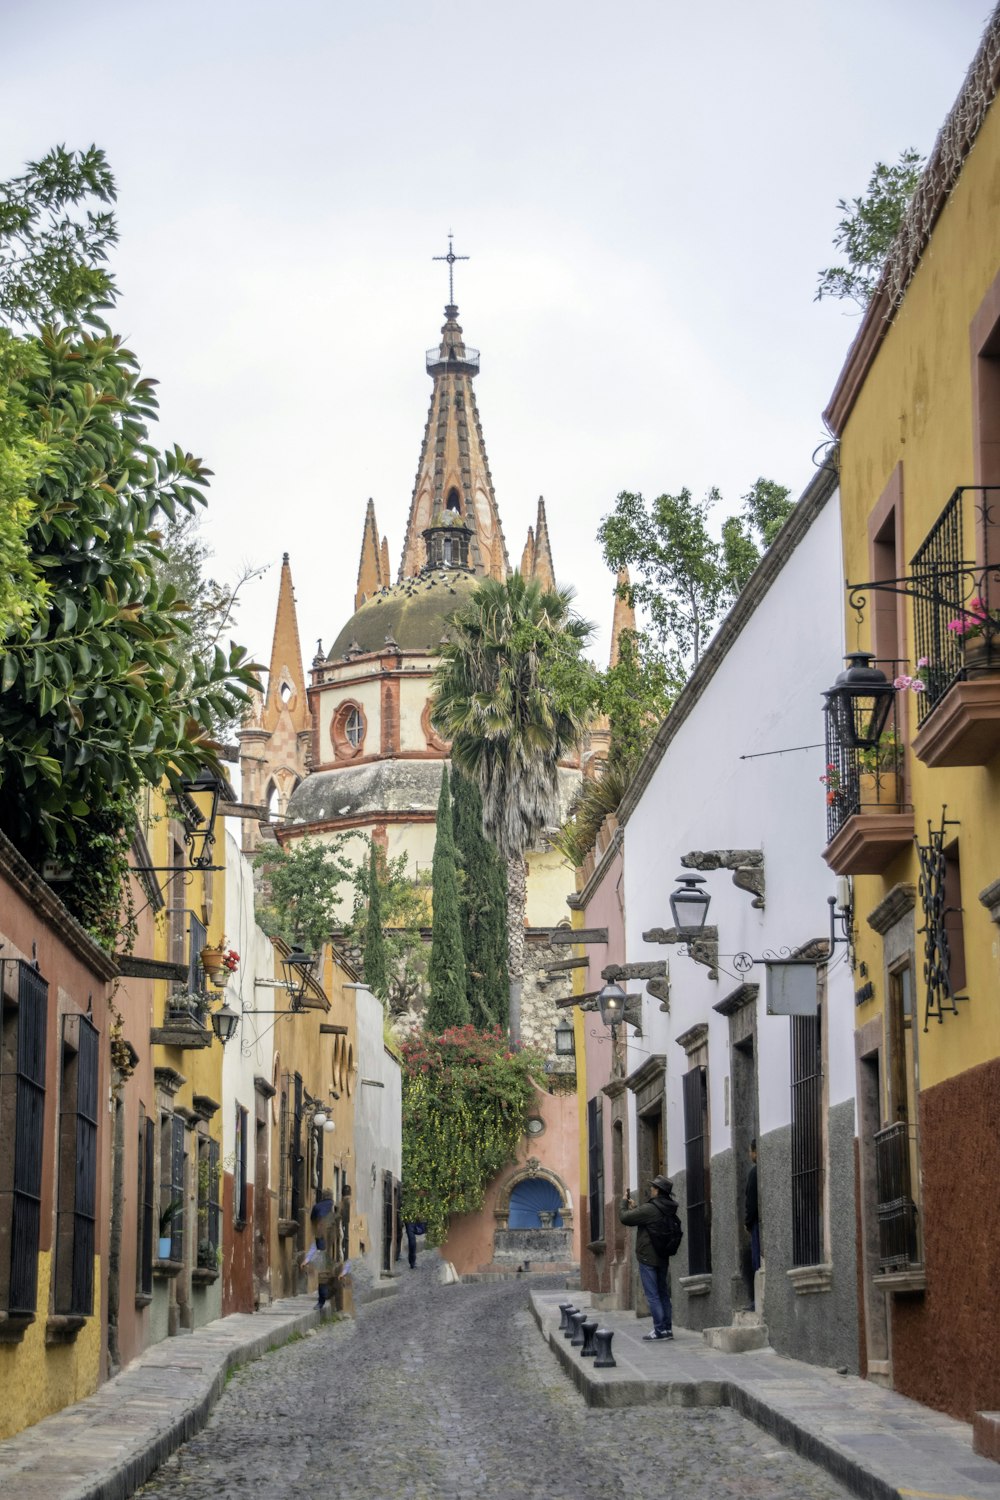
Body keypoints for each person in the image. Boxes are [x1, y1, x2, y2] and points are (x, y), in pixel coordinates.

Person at [619, 1175, 680, 1341]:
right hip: (663, 1256)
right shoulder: (668, 1207)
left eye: (653, 1187)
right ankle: (667, 1329)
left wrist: (624, 1203)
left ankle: (659, 1330)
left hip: (648, 1257)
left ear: (658, 1191)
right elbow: (652, 1221)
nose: (651, 1189)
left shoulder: (651, 1208)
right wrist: (637, 1207)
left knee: (652, 1295)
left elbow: (625, 1218)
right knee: (663, 1294)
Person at [745, 1139, 760, 1309]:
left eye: (751, 1151)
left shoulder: (754, 1173)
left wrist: (747, 1222)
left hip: (756, 1223)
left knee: (756, 1261)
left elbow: (751, 1201)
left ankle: (757, 1301)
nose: (750, 1155)